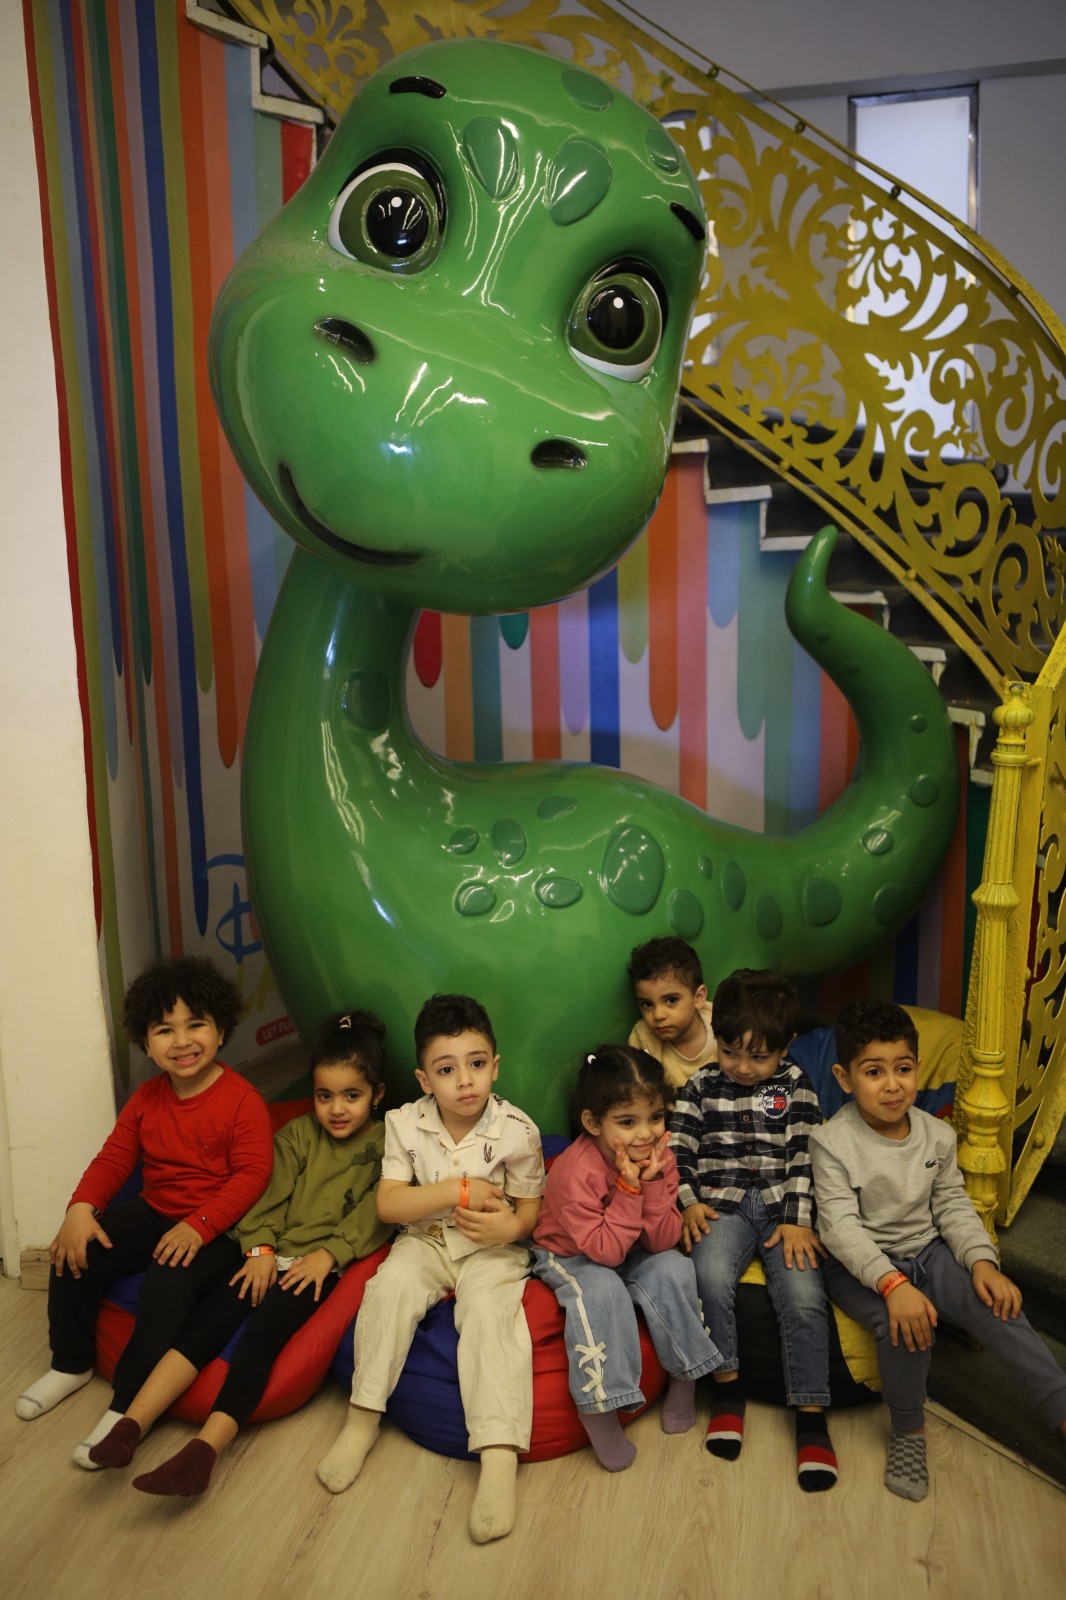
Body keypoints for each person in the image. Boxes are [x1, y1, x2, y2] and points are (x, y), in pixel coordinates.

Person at [84, 1009, 394, 1496]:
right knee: (205, 1327)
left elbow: (376, 1213)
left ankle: (204, 1451)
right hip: (263, 1255)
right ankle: (130, 1424)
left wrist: (330, 1256)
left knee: (260, 1340)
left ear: (377, 1094)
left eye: (351, 1096)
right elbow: (265, 1198)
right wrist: (260, 1249)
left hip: (314, 1268)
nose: (336, 1109)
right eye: (324, 1096)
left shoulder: (390, 1148)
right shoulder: (296, 1135)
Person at [15, 956, 273, 1467]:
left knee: (165, 1282)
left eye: (196, 1024)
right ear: (146, 1043)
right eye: (164, 1029)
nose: (182, 1040)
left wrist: (199, 1227)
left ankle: (127, 1405)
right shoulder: (146, 1098)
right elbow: (115, 1158)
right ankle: (70, 1363)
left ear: (221, 1031)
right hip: (156, 1210)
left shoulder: (243, 1101)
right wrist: (80, 1209)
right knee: (74, 1250)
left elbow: (252, 1176)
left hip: (218, 1229)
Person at [810, 998, 1066, 1502]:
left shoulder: (937, 1136)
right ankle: (908, 1431)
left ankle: (1059, 1409)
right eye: (874, 1072)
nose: (892, 1085)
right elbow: (840, 1229)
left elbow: (952, 1206)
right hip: (857, 1267)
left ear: (917, 1069)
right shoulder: (831, 1142)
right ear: (845, 1078)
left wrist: (982, 1262)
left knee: (999, 1306)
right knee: (907, 1325)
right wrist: (892, 1285)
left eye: (903, 1069)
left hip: (927, 1252)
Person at [317, 993, 543, 1545]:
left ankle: (497, 1456)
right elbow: (389, 1205)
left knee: (489, 1315)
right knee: (390, 1286)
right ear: (424, 1079)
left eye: (476, 1063)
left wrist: (509, 1229)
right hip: (426, 1240)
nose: (465, 1081)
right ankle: (362, 1418)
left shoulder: (518, 1130)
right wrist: (457, 1190)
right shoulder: (403, 1123)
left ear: (495, 1066)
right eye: (446, 1069)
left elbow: (530, 1210)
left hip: (491, 1249)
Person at [669, 968, 838, 1490]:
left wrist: (797, 1221)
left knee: (804, 1296)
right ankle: (727, 1388)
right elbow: (677, 1152)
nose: (742, 1067)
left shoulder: (796, 1086)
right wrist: (689, 1203)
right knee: (707, 1275)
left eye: (758, 1057)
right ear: (716, 1035)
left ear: (785, 1046)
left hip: (783, 1207)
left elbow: (807, 1156)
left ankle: (811, 1415)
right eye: (730, 1051)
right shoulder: (700, 1085)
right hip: (720, 1205)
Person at [532, 1045, 721, 1472]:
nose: (646, 1134)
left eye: (655, 1117)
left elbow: (663, 1240)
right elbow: (604, 1252)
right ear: (592, 1123)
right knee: (603, 1290)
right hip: (571, 1253)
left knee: (675, 1267)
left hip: (630, 1246)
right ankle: (600, 1411)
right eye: (627, 1122)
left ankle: (685, 1376)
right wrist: (631, 1190)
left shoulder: (660, 1156)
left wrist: (652, 1185)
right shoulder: (575, 1172)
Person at [627, 935, 716, 1089]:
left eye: (671, 1000)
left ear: (698, 998)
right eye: (647, 1004)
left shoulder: (727, 1026)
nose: (658, 1015)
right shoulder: (643, 1039)